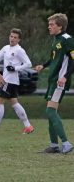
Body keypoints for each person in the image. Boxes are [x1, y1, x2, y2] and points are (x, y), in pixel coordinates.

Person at [35, 13, 74, 154]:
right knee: (51, 112)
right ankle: (54, 145)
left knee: (50, 111)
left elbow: (73, 60)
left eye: (52, 24)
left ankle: (66, 143)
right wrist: (43, 66)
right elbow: (53, 58)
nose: (49, 27)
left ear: (60, 26)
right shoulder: (55, 40)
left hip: (59, 81)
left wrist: (65, 76)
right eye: (49, 24)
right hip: (53, 80)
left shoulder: (67, 39)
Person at [0, 28, 34, 134]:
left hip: (9, 80)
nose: (12, 39)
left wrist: (15, 68)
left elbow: (29, 64)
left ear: (19, 40)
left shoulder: (19, 50)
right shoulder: (5, 48)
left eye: (15, 37)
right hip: (8, 80)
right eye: (11, 36)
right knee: (14, 103)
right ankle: (28, 126)